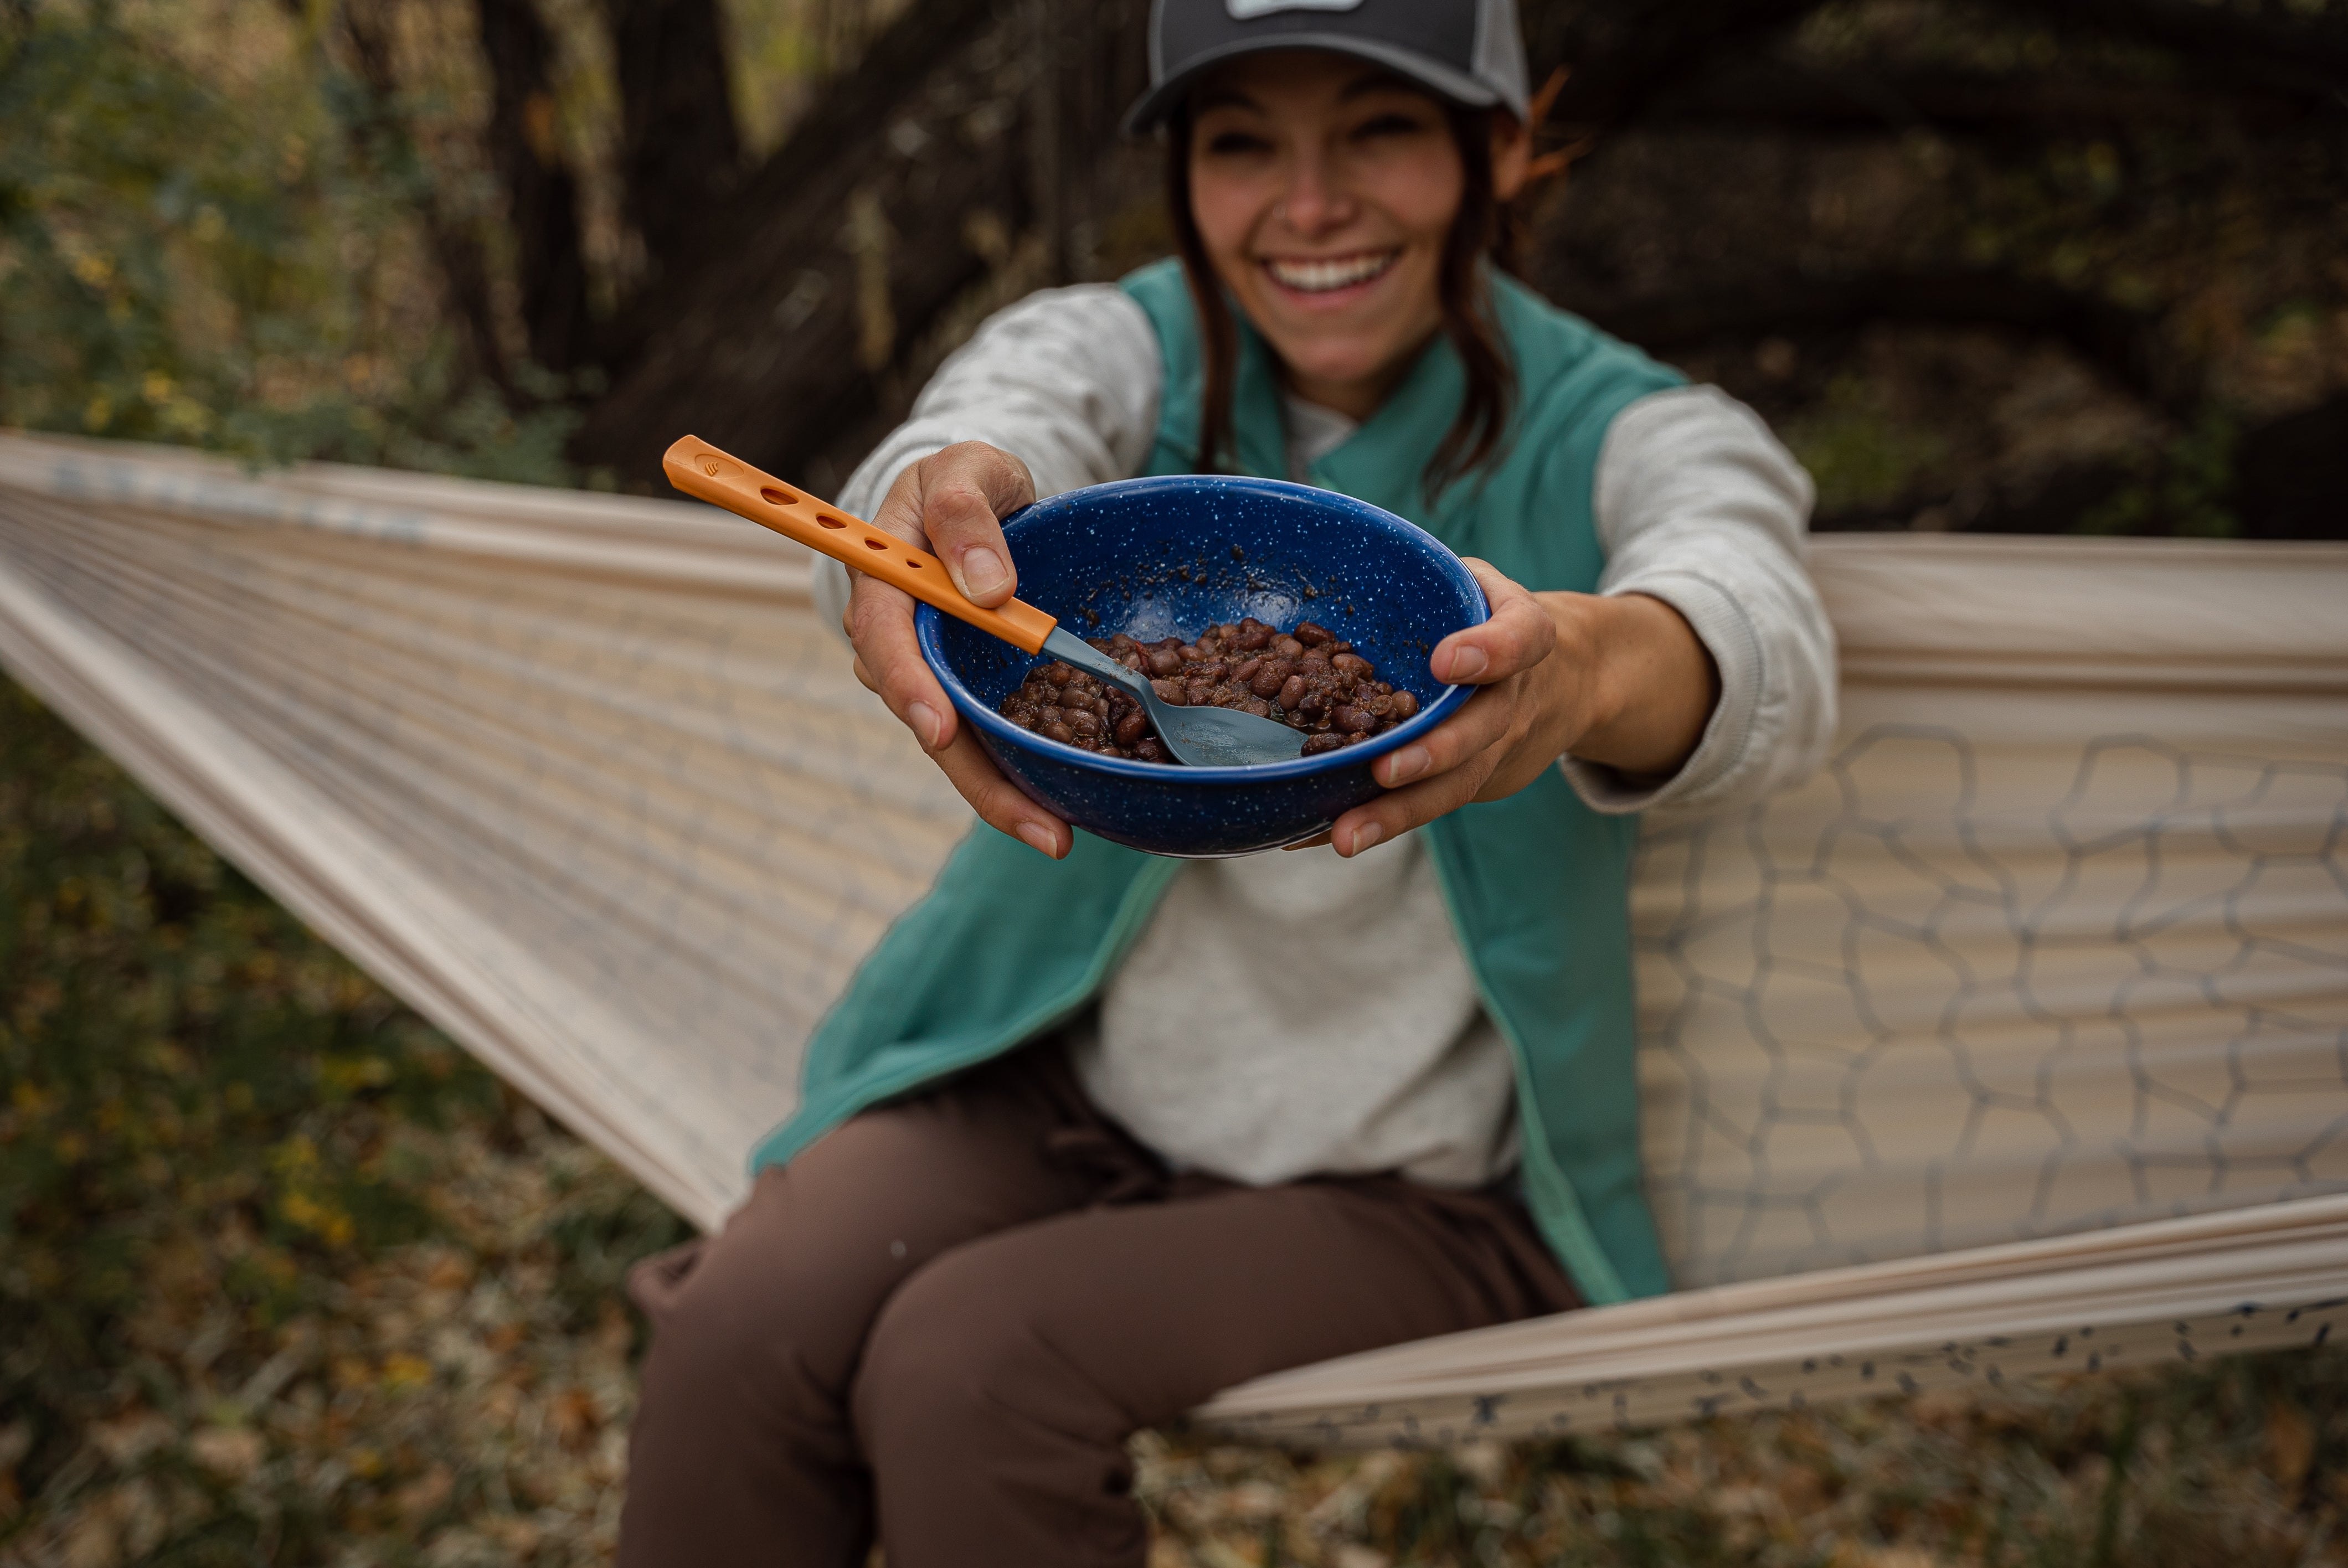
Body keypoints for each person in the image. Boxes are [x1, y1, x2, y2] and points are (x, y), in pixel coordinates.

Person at [617, 1, 1835, 1562]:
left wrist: (1588, 673)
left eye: (1380, 129)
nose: (1308, 204)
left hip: (1413, 1180)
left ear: (1506, 147)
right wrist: (928, 514)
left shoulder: (1627, 433)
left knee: (970, 1368)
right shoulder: (1130, 355)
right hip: (1063, 1088)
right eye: (1243, 142)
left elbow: (1754, 623)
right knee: (742, 1330)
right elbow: (984, 429)